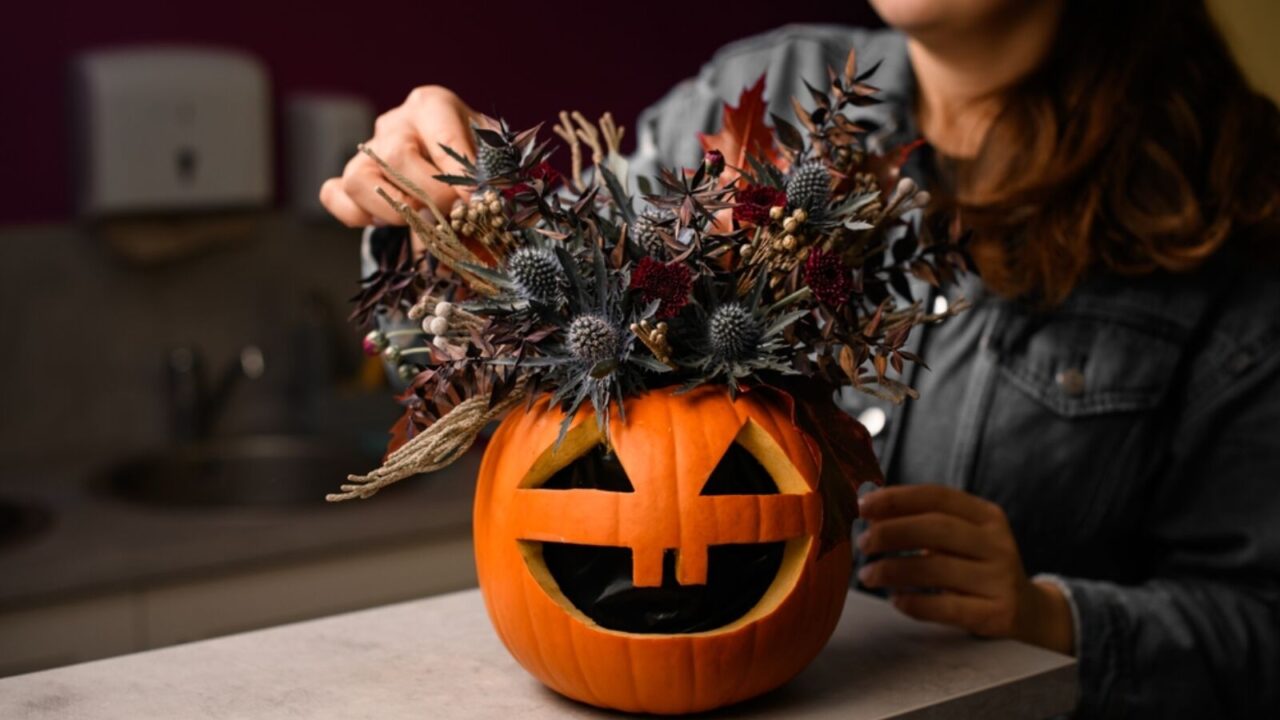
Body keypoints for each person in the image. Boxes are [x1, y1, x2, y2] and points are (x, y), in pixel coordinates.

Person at [320, 0, 1280, 716]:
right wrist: (438, 221)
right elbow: (525, 359)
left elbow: (1260, 627)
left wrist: (1050, 616)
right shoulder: (765, 96)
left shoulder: (1221, 203)